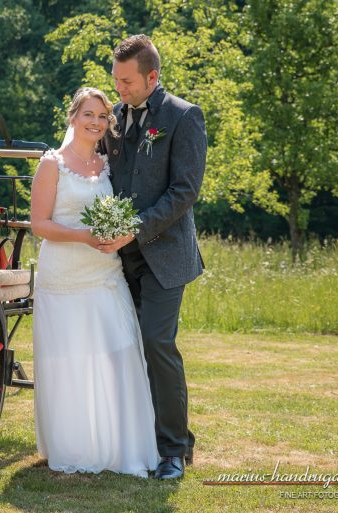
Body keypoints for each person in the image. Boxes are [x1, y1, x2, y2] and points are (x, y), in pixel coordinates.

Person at [30, 87, 159, 476]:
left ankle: (122, 444)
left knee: (118, 352)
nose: (96, 122)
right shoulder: (52, 164)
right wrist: (85, 236)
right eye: (89, 114)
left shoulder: (107, 166)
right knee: (68, 360)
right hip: (63, 277)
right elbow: (39, 224)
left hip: (105, 274)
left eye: (103, 117)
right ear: (73, 117)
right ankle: (76, 444)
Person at [98, 34, 207, 479]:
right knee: (127, 346)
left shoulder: (184, 117)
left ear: (152, 77)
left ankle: (174, 451)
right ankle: (150, 437)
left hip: (165, 255)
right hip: (120, 259)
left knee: (157, 343)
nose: (118, 90)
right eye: (116, 81)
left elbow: (185, 191)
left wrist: (134, 229)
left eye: (125, 82)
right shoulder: (115, 119)